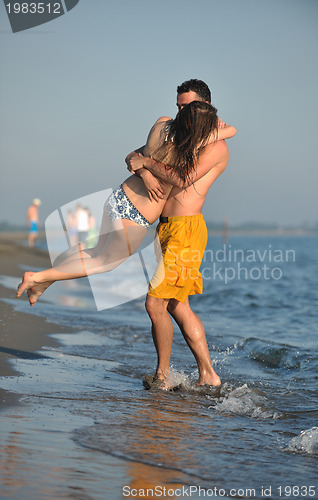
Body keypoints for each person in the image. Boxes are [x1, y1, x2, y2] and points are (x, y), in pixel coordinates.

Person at [17, 101, 234, 326]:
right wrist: (218, 129)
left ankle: (45, 281)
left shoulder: (161, 125)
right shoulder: (186, 146)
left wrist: (145, 168)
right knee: (104, 262)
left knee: (95, 251)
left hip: (119, 197)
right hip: (137, 214)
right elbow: (222, 138)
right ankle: (38, 278)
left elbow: (134, 156)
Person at [126, 79, 235, 389]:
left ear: (204, 107)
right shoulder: (185, 139)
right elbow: (134, 156)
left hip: (186, 231)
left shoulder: (216, 145)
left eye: (186, 107)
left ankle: (162, 376)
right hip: (167, 228)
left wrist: (147, 162)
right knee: (176, 304)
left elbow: (183, 177)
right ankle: (208, 375)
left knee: (154, 303)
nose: (179, 113)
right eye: (178, 107)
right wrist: (143, 166)